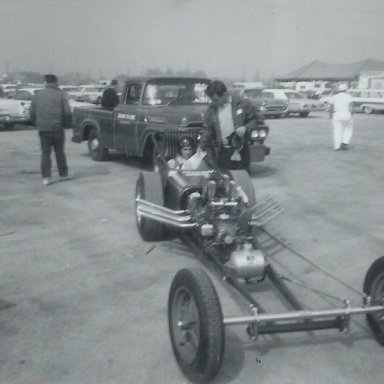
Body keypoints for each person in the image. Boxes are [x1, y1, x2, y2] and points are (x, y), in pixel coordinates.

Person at [199, 80, 264, 173]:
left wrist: (245, 128)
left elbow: (256, 120)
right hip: (223, 153)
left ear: (225, 94)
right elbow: (207, 129)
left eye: (216, 100)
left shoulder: (242, 104)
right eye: (212, 100)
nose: (214, 103)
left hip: (241, 152)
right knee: (224, 183)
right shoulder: (211, 110)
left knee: (242, 182)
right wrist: (201, 146)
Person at [30, 74, 73, 186]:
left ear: (45, 82)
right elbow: (67, 112)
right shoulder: (61, 95)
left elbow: (32, 112)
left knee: (45, 153)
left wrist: (37, 123)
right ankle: (63, 175)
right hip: (57, 128)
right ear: (56, 82)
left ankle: (46, 178)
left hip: (43, 128)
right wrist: (66, 124)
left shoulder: (37, 95)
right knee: (59, 152)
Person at [330, 83, 354, 151]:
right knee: (348, 129)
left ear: (339, 90)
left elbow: (331, 107)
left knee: (337, 130)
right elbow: (351, 108)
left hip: (337, 114)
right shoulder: (349, 97)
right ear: (346, 90)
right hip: (347, 113)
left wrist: (331, 115)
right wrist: (351, 116)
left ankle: (337, 146)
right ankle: (345, 142)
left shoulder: (334, 97)